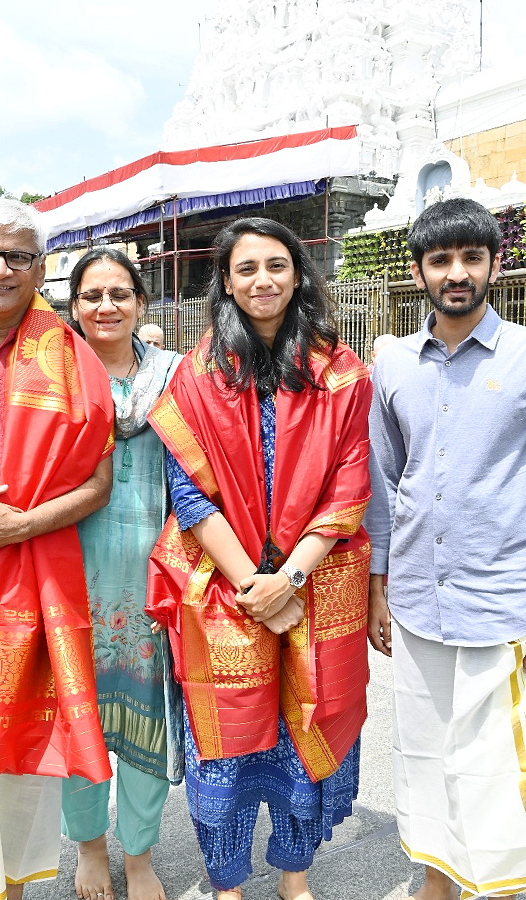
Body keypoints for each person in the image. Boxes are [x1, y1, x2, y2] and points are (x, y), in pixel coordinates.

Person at [145, 217, 372, 900]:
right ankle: (227, 883)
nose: (262, 280)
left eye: (276, 265)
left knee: (305, 734)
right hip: (226, 586)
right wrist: (255, 585)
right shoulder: (198, 373)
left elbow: (350, 484)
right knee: (229, 746)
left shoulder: (340, 372)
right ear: (225, 281)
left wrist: (289, 578)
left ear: (297, 273)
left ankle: (294, 878)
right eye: (246, 269)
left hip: (316, 582)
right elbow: (187, 491)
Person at [0, 199, 115, 900]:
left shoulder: (72, 355)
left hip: (28, 598)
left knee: (13, 770)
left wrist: (19, 526)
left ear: (42, 266)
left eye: (17, 256)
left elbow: (100, 479)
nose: (0, 269)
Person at [365, 197, 526, 900]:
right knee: (425, 750)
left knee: (493, 763)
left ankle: (493, 886)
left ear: (496, 262)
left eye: (471, 257)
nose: (456, 273)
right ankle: (437, 880)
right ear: (419, 270)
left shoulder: (523, 355)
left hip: (504, 596)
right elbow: (383, 476)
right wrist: (378, 580)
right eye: (441, 260)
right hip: (417, 598)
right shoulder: (393, 362)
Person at [62, 248, 182, 900]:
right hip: (70, 573)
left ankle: (137, 854)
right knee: (77, 716)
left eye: (118, 293)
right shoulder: (55, 374)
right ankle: (86, 847)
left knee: (147, 717)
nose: (105, 306)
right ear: (74, 305)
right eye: (91, 295)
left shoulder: (177, 375)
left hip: (154, 579)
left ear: (139, 301)